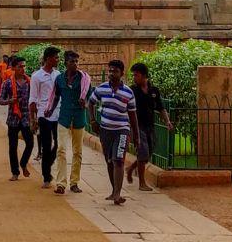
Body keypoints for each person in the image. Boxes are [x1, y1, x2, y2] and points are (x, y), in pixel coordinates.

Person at [88, 59, 138, 205]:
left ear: (122, 73)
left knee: (118, 159)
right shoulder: (101, 88)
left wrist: (135, 135)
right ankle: (113, 190)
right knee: (109, 161)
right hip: (105, 130)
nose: (111, 73)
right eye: (110, 70)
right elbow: (90, 103)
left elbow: (133, 115)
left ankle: (117, 194)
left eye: (115, 71)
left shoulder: (128, 92)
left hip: (122, 130)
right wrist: (92, 121)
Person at [48, 50, 91, 194]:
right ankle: (61, 183)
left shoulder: (84, 79)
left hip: (79, 118)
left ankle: (74, 182)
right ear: (66, 63)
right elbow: (55, 97)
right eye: (72, 61)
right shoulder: (59, 79)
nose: (75, 64)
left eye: (77, 61)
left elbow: (90, 98)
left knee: (77, 152)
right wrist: (50, 109)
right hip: (64, 117)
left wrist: (85, 102)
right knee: (61, 149)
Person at [127, 62, 172, 191]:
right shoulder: (132, 91)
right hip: (137, 126)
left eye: (136, 75)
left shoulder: (154, 91)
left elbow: (161, 108)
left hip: (150, 126)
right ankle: (142, 183)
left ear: (144, 76)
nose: (134, 78)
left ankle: (131, 168)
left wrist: (167, 122)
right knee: (143, 151)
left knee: (147, 154)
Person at [29, 46, 61, 188]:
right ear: (48, 58)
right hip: (43, 114)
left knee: (59, 145)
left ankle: (48, 163)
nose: (58, 60)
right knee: (47, 145)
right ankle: (46, 175)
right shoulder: (37, 76)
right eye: (55, 57)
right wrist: (33, 118)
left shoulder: (58, 75)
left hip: (58, 114)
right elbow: (33, 99)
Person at [0, 56, 33, 181]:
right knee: (13, 146)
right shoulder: (7, 83)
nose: (23, 69)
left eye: (24, 66)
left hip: (26, 117)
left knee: (30, 143)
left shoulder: (30, 82)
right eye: (20, 66)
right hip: (13, 117)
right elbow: (0, 100)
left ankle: (23, 163)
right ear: (13, 68)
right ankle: (15, 171)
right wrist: (10, 101)